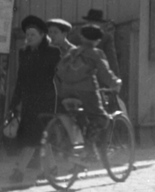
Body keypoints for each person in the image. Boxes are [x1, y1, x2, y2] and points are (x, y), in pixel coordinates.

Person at [47, 17, 122, 157]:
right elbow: (105, 73)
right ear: (97, 40)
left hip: (66, 91)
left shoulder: (72, 52)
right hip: (87, 91)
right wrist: (115, 83)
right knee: (100, 118)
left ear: (81, 37)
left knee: (79, 116)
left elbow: (60, 69)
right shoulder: (95, 53)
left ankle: (76, 144)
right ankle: (89, 149)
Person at [5, 15, 60, 185]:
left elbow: (55, 75)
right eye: (27, 35)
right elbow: (20, 80)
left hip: (45, 100)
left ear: (42, 35)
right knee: (40, 136)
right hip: (29, 101)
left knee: (32, 137)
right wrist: (14, 103)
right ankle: (51, 168)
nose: (28, 38)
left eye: (32, 35)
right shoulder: (24, 53)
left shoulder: (53, 52)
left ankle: (19, 171)